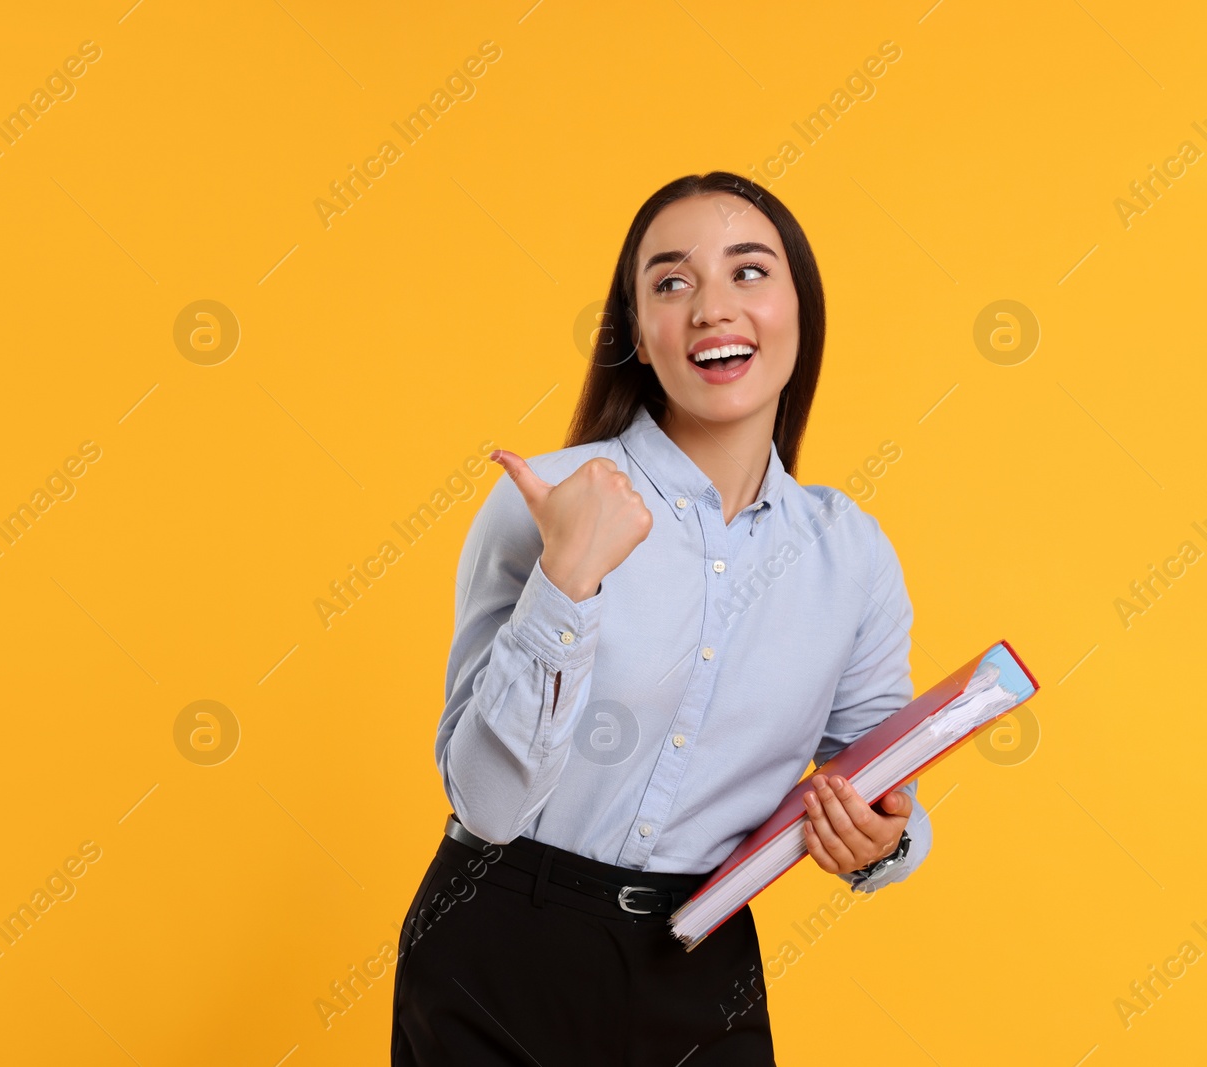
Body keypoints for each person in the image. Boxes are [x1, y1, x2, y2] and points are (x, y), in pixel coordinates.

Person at [390, 171, 930, 1066]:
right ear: (638, 335)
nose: (711, 307)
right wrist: (569, 577)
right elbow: (483, 804)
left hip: (701, 959)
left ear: (803, 308)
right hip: (496, 945)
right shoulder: (549, 498)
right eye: (671, 283)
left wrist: (885, 837)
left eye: (748, 272)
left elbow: (888, 773)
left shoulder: (851, 552)